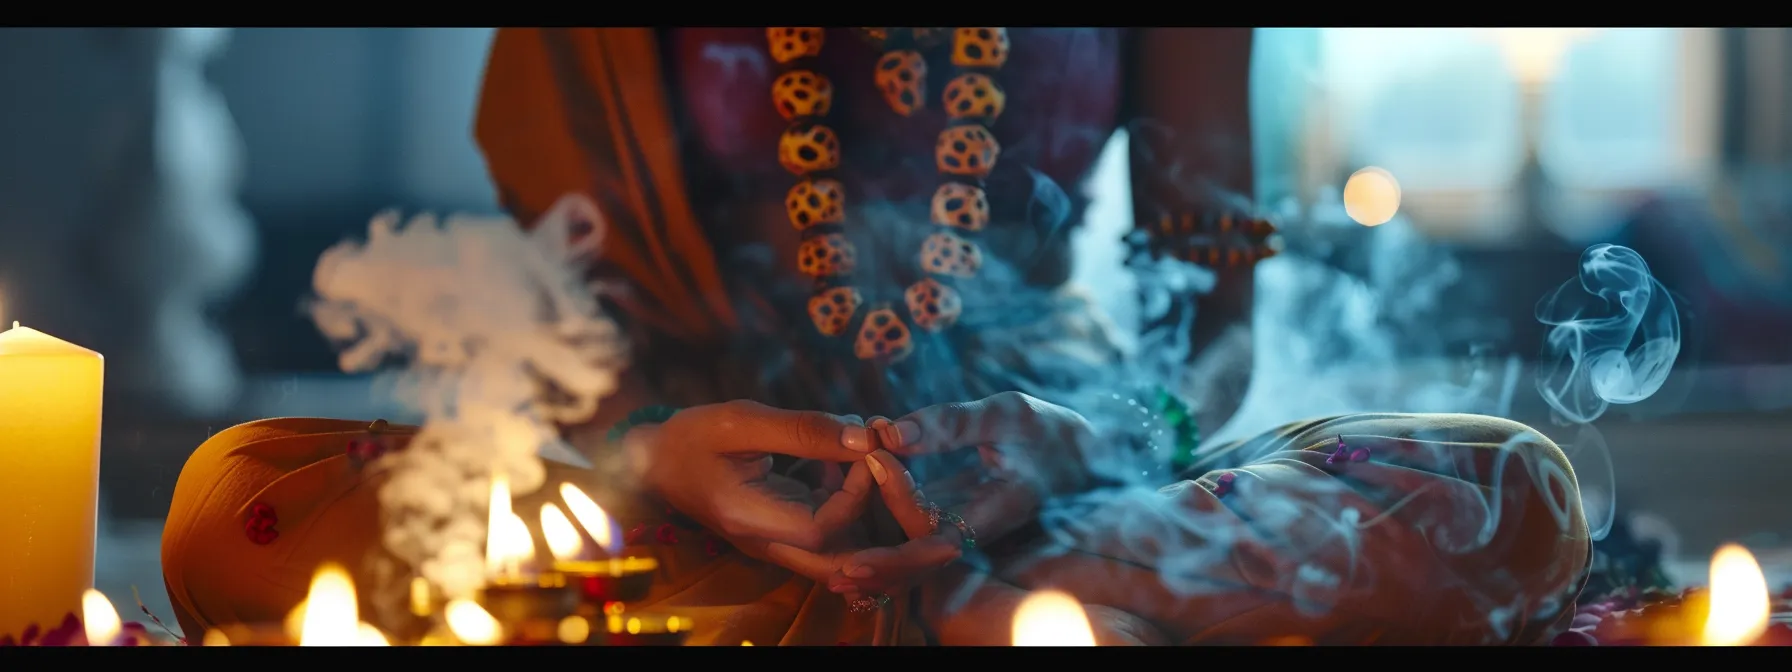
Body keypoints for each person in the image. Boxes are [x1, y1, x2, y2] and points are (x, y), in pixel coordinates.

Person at [161, 28, 1590, 645]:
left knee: (1508, 493)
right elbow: (571, 330)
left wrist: (1091, 441)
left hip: (1062, 490)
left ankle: (971, 606)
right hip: (677, 515)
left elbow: (1202, 336)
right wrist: (652, 458)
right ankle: (998, 630)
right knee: (238, 508)